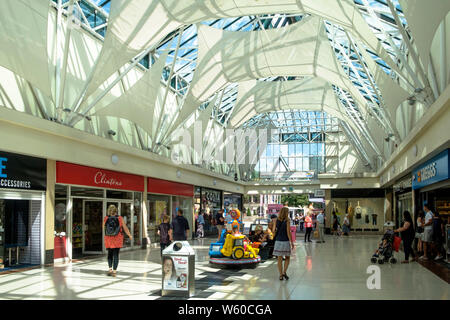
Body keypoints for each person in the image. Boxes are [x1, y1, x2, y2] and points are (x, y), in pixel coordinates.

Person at [103, 204, 132, 277]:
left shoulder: (106, 218)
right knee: (116, 254)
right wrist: (129, 235)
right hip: (117, 238)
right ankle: (114, 271)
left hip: (108, 238)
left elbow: (103, 227)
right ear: (116, 210)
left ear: (109, 211)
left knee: (110, 254)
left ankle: (110, 269)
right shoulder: (120, 218)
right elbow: (125, 228)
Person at [273, 207, 295, 281]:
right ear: (286, 213)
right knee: (287, 258)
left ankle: (280, 275)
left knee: (279, 259)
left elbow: (273, 231)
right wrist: (292, 242)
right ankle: (284, 272)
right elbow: (288, 232)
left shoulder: (276, 220)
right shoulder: (287, 220)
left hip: (278, 241)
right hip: (285, 241)